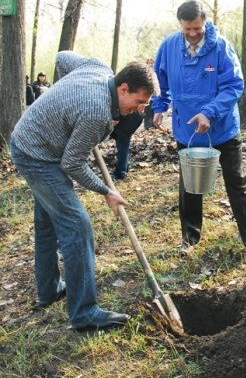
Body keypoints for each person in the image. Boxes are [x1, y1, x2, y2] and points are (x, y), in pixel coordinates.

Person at [10, 51, 159, 330]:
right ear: (123, 88)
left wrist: (65, 98)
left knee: (47, 224)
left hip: (31, 139)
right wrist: (106, 191)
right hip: (37, 155)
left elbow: (61, 57)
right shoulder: (96, 113)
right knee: (77, 226)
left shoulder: (98, 68)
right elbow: (72, 164)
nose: (140, 110)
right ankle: (84, 313)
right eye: (139, 102)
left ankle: (50, 290)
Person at [152, 0, 246, 260]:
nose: (192, 35)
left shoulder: (221, 47)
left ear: (205, 23)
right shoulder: (169, 46)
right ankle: (189, 239)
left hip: (222, 128)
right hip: (186, 129)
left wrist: (210, 112)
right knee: (189, 186)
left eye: (197, 29)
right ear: (181, 25)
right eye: (187, 29)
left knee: (236, 183)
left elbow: (234, 85)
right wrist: (159, 106)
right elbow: (160, 79)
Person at [110, 111, 144, 180]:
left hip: (126, 119)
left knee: (122, 143)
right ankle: (123, 168)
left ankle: (121, 172)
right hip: (125, 118)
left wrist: (115, 117)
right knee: (122, 142)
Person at [143, 58, 155, 130]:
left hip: (155, 95)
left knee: (154, 110)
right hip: (147, 94)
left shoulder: (156, 73)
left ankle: (154, 124)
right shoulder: (144, 73)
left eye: (152, 63)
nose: (151, 64)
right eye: (149, 63)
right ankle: (147, 126)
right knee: (147, 111)